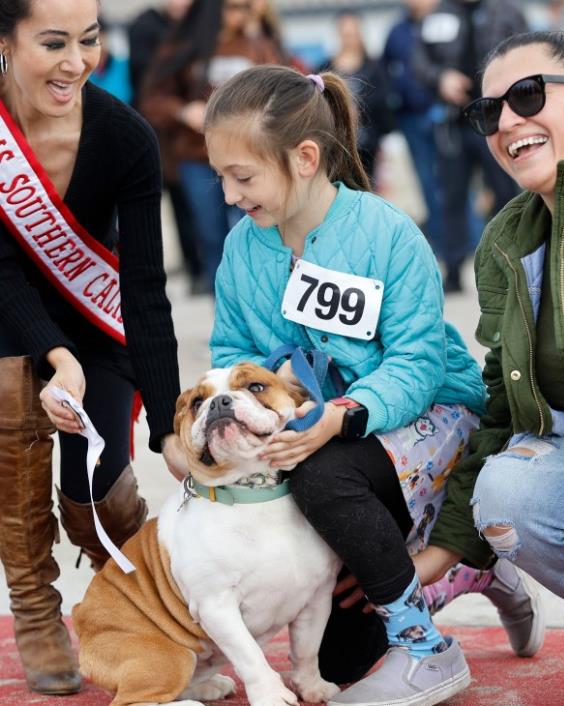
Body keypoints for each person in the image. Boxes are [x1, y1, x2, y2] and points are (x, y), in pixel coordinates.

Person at [203, 64, 541, 706]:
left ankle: (424, 644)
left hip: (427, 413)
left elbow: (417, 364)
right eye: (220, 175)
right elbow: (233, 352)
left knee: (323, 478)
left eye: (241, 177)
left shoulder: (387, 234)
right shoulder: (243, 250)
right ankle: (475, 568)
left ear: (304, 157)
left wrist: (341, 414)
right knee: (345, 656)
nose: (226, 195)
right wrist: (263, 401)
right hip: (327, 437)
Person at [0, 0, 187, 696]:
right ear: (6, 41)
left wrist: (168, 424)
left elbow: (143, 287)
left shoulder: (124, 136)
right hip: (7, 319)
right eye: (53, 43)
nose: (76, 62)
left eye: (89, 39)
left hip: (96, 322)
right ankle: (37, 609)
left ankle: (150, 597)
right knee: (13, 441)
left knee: (96, 483)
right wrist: (53, 355)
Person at [443, 29, 564, 645]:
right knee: (511, 496)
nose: (508, 121)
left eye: (529, 95)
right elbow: (504, 403)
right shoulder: (508, 240)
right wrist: (447, 549)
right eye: (488, 111)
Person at [140, 0, 280, 294]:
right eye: (232, 6)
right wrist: (183, 111)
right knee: (212, 235)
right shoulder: (184, 46)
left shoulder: (257, 43)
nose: (238, 13)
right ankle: (225, 311)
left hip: (250, 155)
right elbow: (152, 98)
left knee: (259, 231)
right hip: (198, 157)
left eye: (244, 7)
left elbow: (282, 88)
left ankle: (260, 302)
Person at [412, 0, 526, 292]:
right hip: (456, 124)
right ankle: (452, 271)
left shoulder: (507, 12)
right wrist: (440, 78)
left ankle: (512, 266)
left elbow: (529, 56)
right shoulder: (438, 15)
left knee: (506, 195)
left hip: (499, 121)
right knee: (452, 198)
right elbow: (419, 63)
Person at [127, 0, 203, 296]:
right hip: (159, 134)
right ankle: (194, 268)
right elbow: (147, 84)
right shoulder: (146, 27)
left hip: (193, 136)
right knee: (179, 206)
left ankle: (207, 268)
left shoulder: (203, 22)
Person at [381, 0, 443, 252]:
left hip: (444, 115)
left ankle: (468, 239)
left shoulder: (445, 22)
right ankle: (439, 241)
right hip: (410, 117)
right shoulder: (397, 31)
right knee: (426, 181)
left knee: (454, 182)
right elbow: (385, 69)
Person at [317, 12, 392, 182]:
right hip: (335, 143)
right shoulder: (325, 67)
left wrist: (360, 110)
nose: (349, 39)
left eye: (353, 33)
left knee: (367, 184)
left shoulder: (374, 68)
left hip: (368, 141)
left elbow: (383, 99)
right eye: (345, 34)